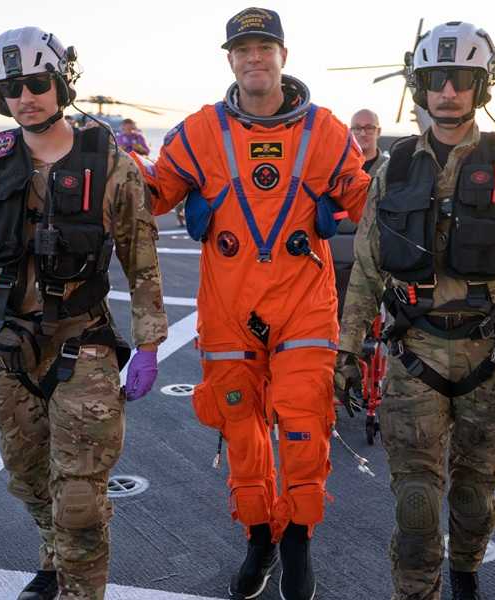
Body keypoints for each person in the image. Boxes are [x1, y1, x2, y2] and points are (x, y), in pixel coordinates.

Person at [133, 8, 370, 599]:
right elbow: (153, 193)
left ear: (283, 56)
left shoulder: (326, 131)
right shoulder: (201, 131)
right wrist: (103, 159)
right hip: (229, 310)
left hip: (304, 305)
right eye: (243, 49)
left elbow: (370, 201)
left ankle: (298, 545)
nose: (254, 58)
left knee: (302, 422)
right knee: (239, 426)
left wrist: (423, 189)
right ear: (230, 59)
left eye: (265, 47)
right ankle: (261, 537)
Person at [0, 27, 167, 600]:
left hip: (82, 345)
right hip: (7, 347)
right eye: (11, 88)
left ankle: (80, 586)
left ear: (61, 83)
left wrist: (150, 344)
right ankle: (54, 558)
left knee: (80, 499)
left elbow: (142, 260)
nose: (25, 96)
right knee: (29, 479)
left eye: (37, 82)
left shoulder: (110, 162)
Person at [335, 21, 495, 600]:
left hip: (488, 359)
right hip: (413, 356)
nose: (449, 92)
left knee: (474, 501)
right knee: (415, 508)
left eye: (462, 79)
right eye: (437, 79)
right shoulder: (394, 169)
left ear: (481, 86)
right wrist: (347, 353)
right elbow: (364, 269)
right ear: (419, 86)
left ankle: (466, 568)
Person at [331, 108, 388, 318]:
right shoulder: (336, 171)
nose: (363, 133)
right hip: (341, 262)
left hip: (379, 258)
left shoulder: (391, 171)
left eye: (369, 128)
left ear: (378, 131)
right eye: (357, 128)